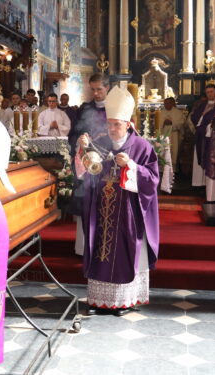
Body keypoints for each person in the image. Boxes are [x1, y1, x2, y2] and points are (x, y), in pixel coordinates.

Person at [77, 86, 160, 317]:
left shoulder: (142, 147)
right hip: (102, 211)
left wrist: (131, 167)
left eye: (117, 124)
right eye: (109, 123)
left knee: (125, 253)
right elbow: (88, 171)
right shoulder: (101, 142)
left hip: (128, 213)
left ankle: (124, 301)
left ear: (128, 123)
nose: (112, 129)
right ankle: (98, 300)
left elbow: (152, 180)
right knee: (99, 249)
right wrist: (83, 150)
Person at [68, 73, 110, 257]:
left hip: (108, 161)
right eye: (93, 89)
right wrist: (80, 139)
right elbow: (74, 132)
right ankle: (83, 247)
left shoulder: (115, 107)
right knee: (85, 199)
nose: (96, 93)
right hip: (87, 161)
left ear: (107, 88)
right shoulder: (85, 108)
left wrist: (105, 138)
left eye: (99, 89)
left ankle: (104, 247)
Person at [190, 84, 215, 187]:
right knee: (199, 156)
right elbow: (194, 117)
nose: (210, 94)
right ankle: (199, 183)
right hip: (201, 136)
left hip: (212, 138)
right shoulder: (202, 104)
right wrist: (201, 118)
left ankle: (208, 184)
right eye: (208, 92)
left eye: (212, 92)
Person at [158, 97, 189, 174]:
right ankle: (162, 169)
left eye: (168, 103)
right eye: (165, 103)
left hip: (174, 136)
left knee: (174, 152)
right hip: (163, 135)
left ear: (172, 104)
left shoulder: (178, 112)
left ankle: (173, 169)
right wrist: (163, 123)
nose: (166, 105)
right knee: (163, 151)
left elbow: (182, 123)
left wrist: (171, 123)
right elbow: (157, 124)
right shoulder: (160, 112)